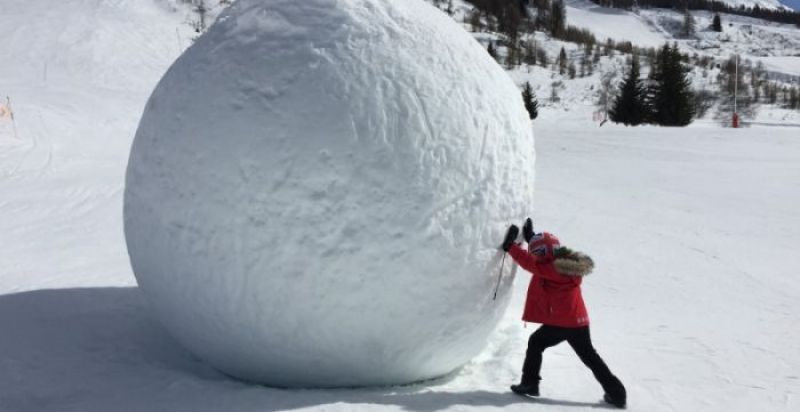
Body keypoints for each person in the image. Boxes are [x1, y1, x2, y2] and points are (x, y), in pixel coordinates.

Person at [500, 218, 627, 409]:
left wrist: (511, 247)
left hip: (563, 323)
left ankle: (530, 383)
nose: (536, 255)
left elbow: (531, 264)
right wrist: (533, 238)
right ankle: (617, 393)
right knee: (590, 357)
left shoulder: (552, 269)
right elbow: (548, 251)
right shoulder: (566, 261)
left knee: (536, 342)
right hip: (579, 321)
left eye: (539, 252)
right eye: (536, 251)